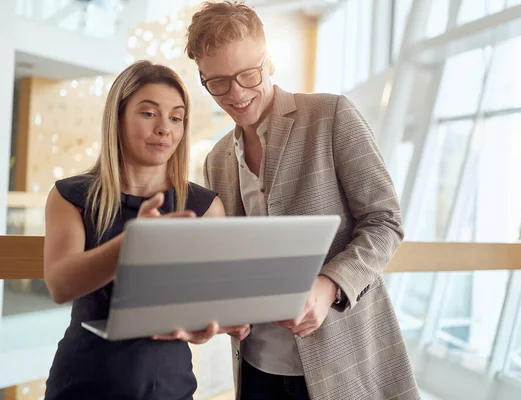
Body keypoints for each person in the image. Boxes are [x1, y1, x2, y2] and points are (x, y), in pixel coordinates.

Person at [185, 2, 421, 400]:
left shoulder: (331, 114)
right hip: (256, 367)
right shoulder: (217, 160)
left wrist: (329, 286)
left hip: (343, 362)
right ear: (204, 79)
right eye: (219, 82)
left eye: (248, 74)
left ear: (269, 61)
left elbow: (385, 222)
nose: (237, 94)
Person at [43, 60, 249, 400]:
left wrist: (212, 324)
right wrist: (135, 243)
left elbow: (210, 304)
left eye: (176, 117)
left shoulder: (205, 207)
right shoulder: (70, 196)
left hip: (169, 386)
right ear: (118, 118)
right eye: (149, 113)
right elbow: (61, 285)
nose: (164, 129)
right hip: (81, 383)